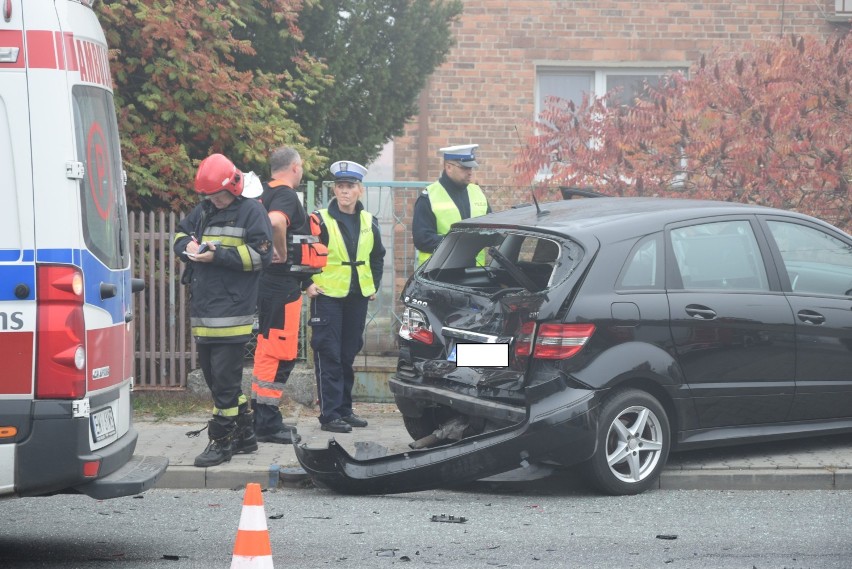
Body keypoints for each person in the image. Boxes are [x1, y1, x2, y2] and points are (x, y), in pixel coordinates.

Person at [173, 153, 273, 467]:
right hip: (204, 309)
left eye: (217, 195)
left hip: (233, 310)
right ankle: (245, 434)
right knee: (214, 380)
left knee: (225, 384)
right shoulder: (202, 210)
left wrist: (218, 255)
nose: (213, 201)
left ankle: (221, 440)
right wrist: (186, 247)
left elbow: (262, 256)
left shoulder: (252, 212)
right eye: (208, 196)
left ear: (233, 187)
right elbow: (179, 234)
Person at [305, 161, 385, 433]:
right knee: (328, 353)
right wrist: (307, 283)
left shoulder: (368, 220)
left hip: (357, 295)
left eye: (350, 186)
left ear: (359, 190)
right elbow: (303, 252)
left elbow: (377, 256)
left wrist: (373, 285)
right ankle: (329, 415)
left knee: (348, 352)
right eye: (340, 186)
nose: (344, 191)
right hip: (328, 294)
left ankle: (344, 409)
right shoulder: (320, 219)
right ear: (334, 190)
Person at [250, 147, 320, 445]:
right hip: (281, 287)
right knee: (278, 353)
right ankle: (266, 422)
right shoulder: (286, 196)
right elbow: (277, 223)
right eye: (301, 167)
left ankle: (263, 416)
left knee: (269, 348)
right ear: (294, 167)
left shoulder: (261, 194)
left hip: (271, 285)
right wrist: (278, 250)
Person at [412, 144, 491, 266]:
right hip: (439, 275)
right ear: (449, 167)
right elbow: (422, 239)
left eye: (471, 168)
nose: (470, 172)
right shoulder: (429, 197)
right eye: (465, 168)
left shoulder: (477, 192)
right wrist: (458, 241)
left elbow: (492, 229)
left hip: (476, 273)